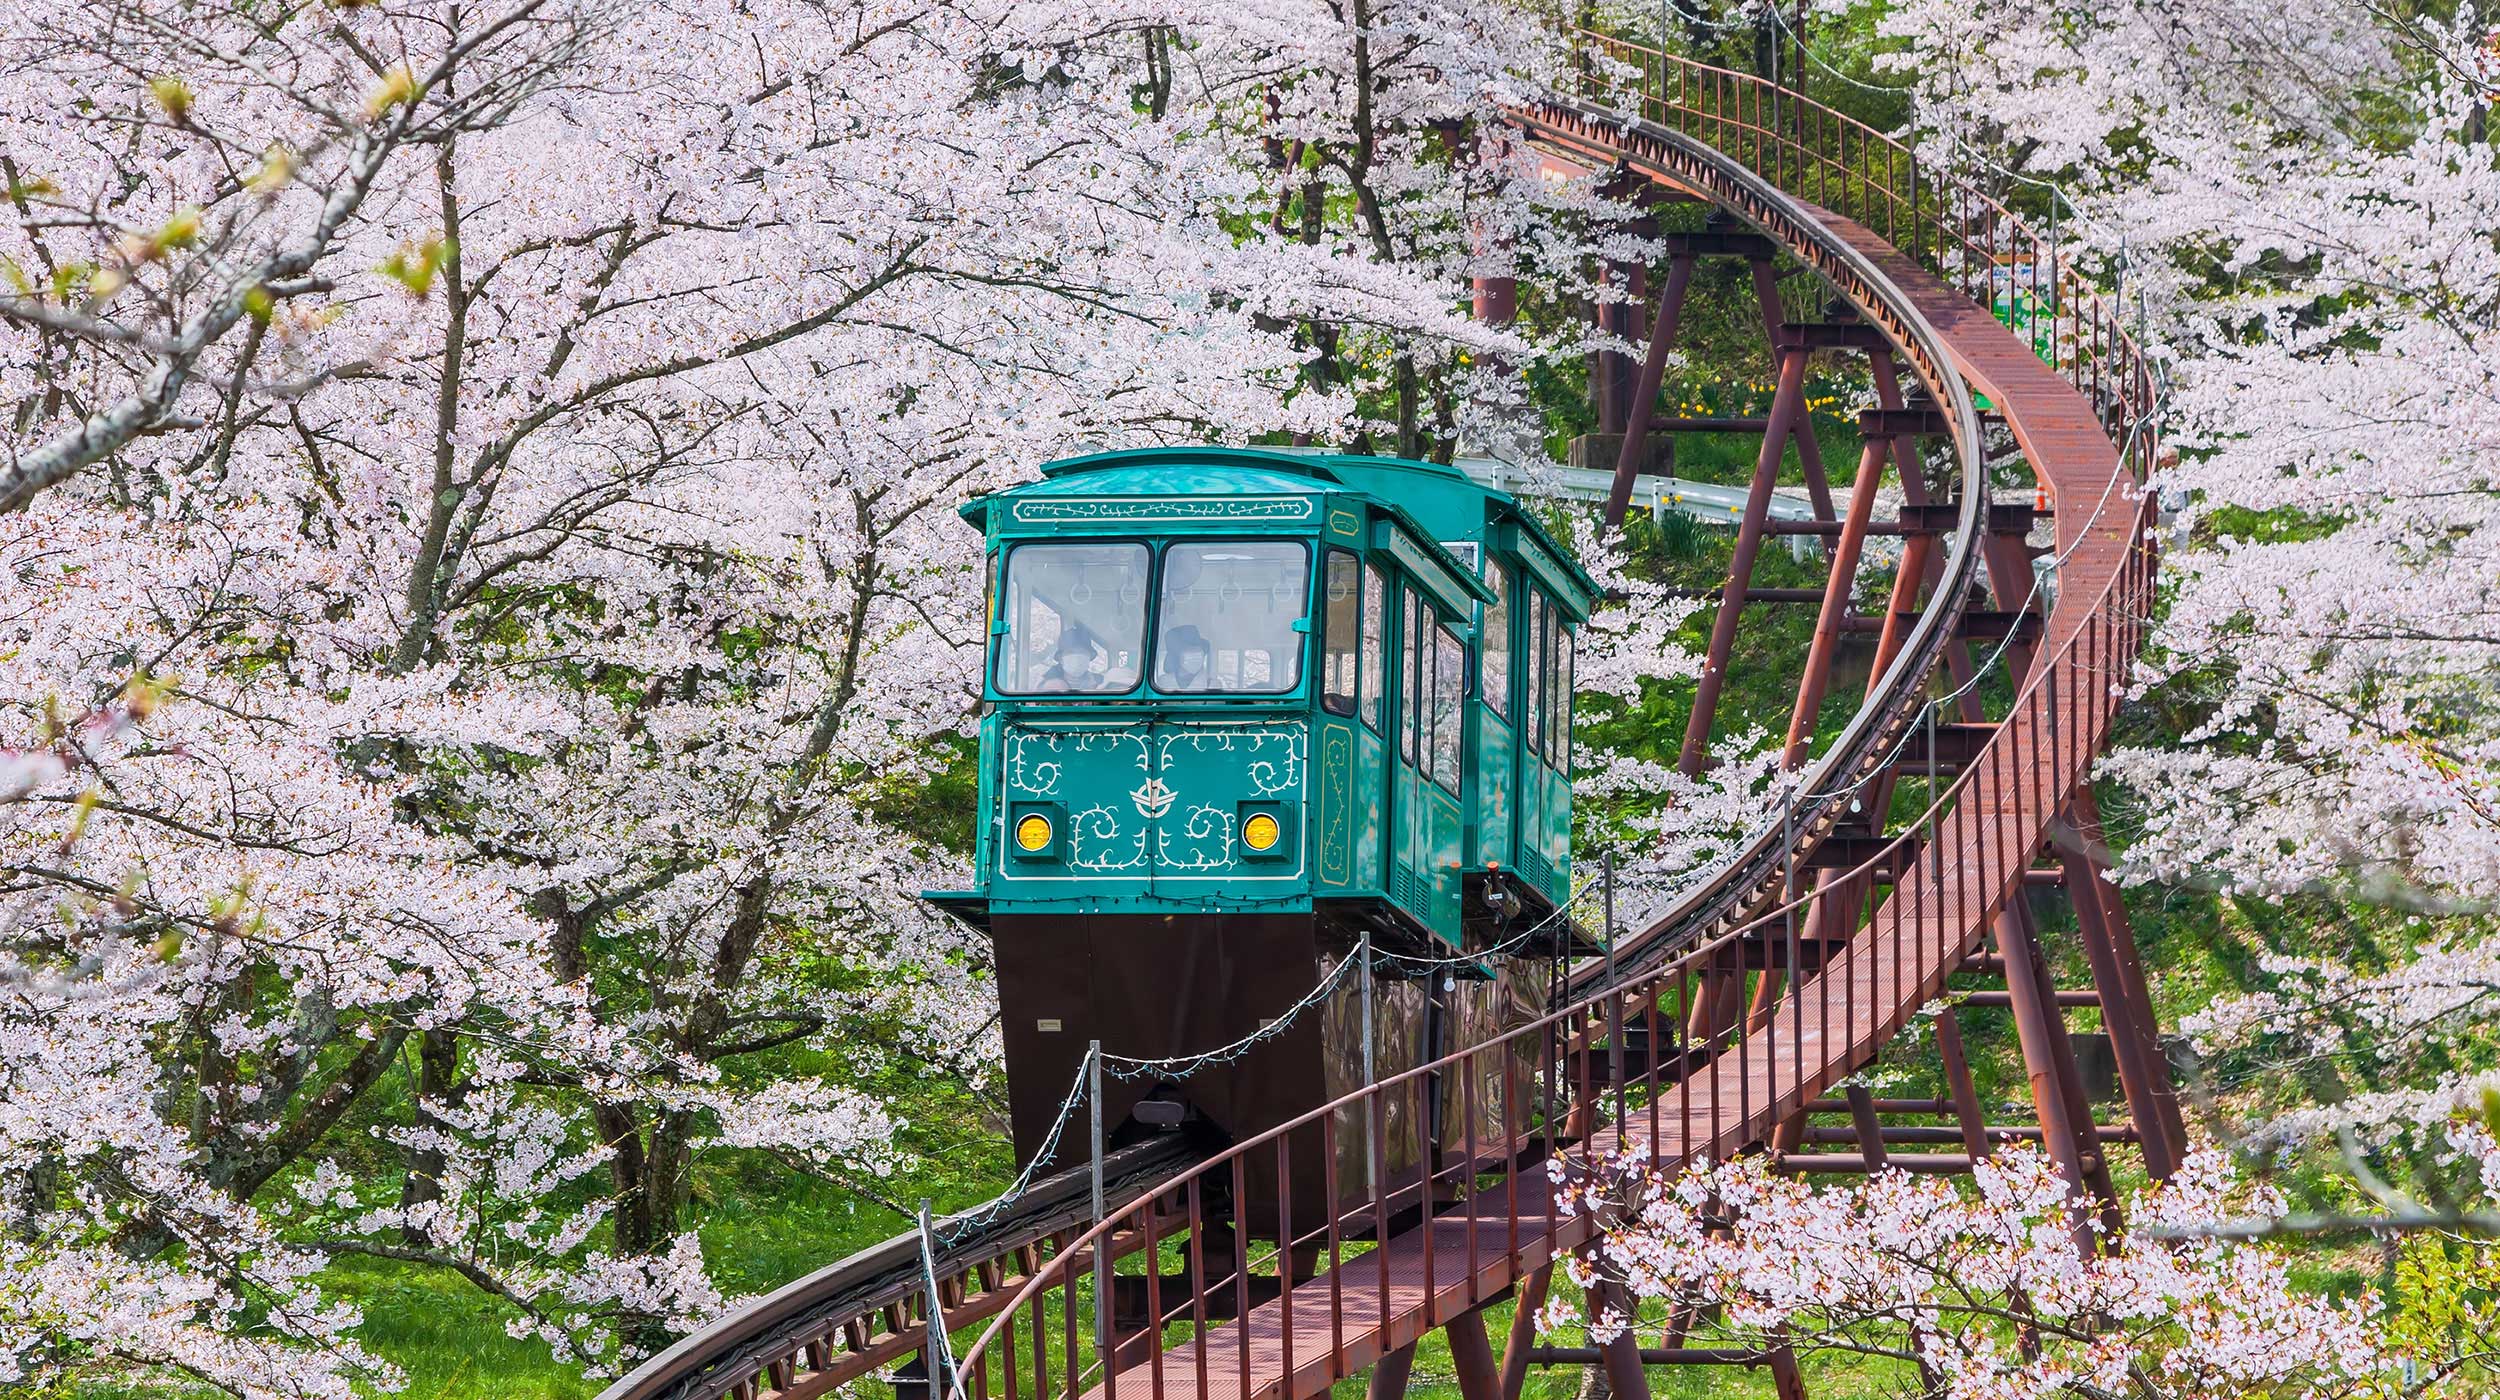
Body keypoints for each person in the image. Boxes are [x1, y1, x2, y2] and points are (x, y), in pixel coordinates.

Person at [1038, 626, 1102, 692]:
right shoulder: (1048, 685)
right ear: (1060, 658)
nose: (1077, 658)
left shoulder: (1101, 683)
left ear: (1089, 656)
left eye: (1082, 652)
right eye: (1070, 652)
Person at [1160, 623, 1214, 692]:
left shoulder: (1212, 685)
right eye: (1189, 650)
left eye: (1197, 651)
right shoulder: (1162, 684)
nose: (1195, 655)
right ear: (1177, 655)